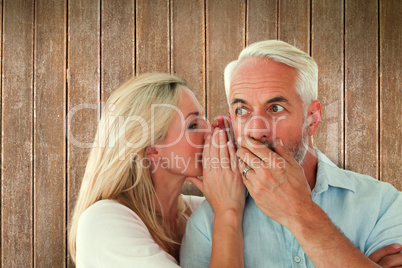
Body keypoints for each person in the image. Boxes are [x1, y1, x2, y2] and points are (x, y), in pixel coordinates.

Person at [180, 40, 402, 267]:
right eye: (242, 110)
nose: (257, 130)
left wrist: (299, 211)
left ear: (312, 118)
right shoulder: (207, 224)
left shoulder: (383, 204)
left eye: (275, 108)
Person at [68, 73, 245, 267]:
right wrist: (227, 212)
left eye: (203, 119)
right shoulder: (102, 222)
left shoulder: (201, 211)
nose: (212, 131)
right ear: (151, 149)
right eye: (193, 125)